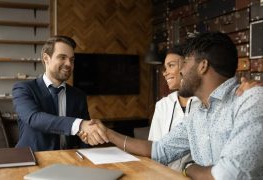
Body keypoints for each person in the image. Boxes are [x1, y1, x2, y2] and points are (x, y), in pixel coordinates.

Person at [83, 32, 263, 179]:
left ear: (203, 66)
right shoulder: (197, 114)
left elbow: (228, 175)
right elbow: (159, 150)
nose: (181, 70)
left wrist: (189, 168)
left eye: (185, 63)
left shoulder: (250, 100)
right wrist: (108, 133)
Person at [12, 35, 108, 152]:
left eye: (72, 60)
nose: (69, 64)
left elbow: (84, 138)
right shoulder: (23, 89)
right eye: (62, 57)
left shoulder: (79, 96)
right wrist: (80, 125)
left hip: (69, 160)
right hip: (32, 160)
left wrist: (88, 139)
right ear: (46, 58)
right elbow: (35, 118)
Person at [148, 44, 201, 171]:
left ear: (188, 66)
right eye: (165, 68)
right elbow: (153, 147)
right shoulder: (162, 105)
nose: (165, 73)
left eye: (171, 65)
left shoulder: (205, 103)